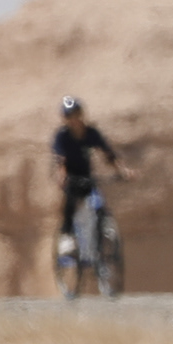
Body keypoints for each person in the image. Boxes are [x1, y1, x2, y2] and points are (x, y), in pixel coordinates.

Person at [49, 98, 121, 274]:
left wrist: (123, 170)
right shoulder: (62, 136)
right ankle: (67, 236)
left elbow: (108, 153)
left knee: (98, 202)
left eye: (76, 115)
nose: (74, 119)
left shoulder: (91, 133)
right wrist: (62, 176)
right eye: (69, 116)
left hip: (87, 177)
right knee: (71, 202)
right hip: (70, 178)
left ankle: (103, 235)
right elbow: (60, 160)